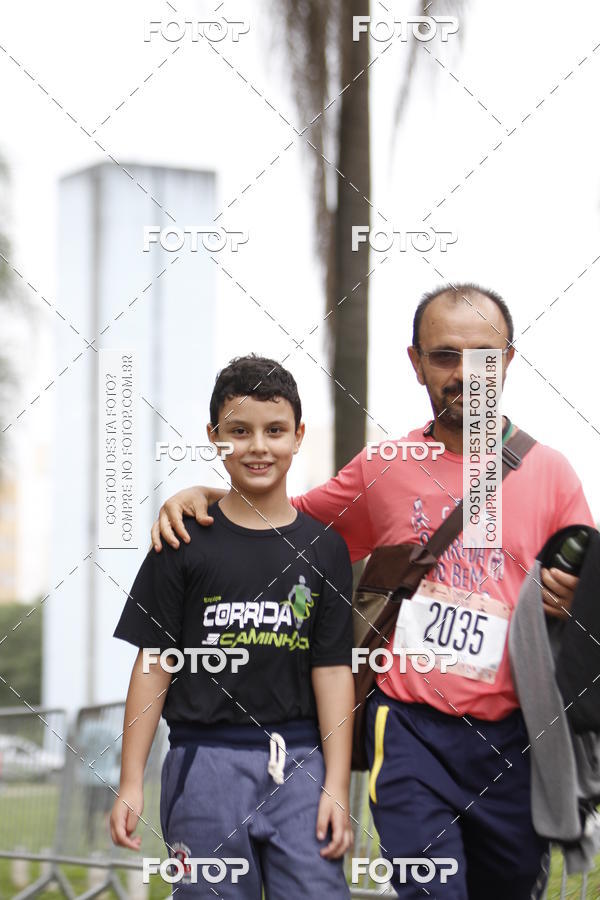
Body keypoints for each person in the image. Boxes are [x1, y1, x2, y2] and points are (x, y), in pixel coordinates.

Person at [151, 284, 596, 899]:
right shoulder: (384, 466)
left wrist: (575, 602)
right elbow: (283, 524)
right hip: (407, 729)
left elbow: (590, 604)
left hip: (515, 737)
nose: (464, 374)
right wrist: (204, 496)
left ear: (509, 360)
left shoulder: (552, 473)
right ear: (416, 362)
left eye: (483, 356)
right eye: (445, 355)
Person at [109, 356, 355, 898]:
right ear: (214, 437)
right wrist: (130, 780)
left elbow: (335, 670)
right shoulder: (181, 541)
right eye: (239, 432)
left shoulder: (324, 549)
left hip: (301, 764)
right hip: (203, 764)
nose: (258, 447)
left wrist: (336, 784)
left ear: (299, 436)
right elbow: (154, 664)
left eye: (275, 431)